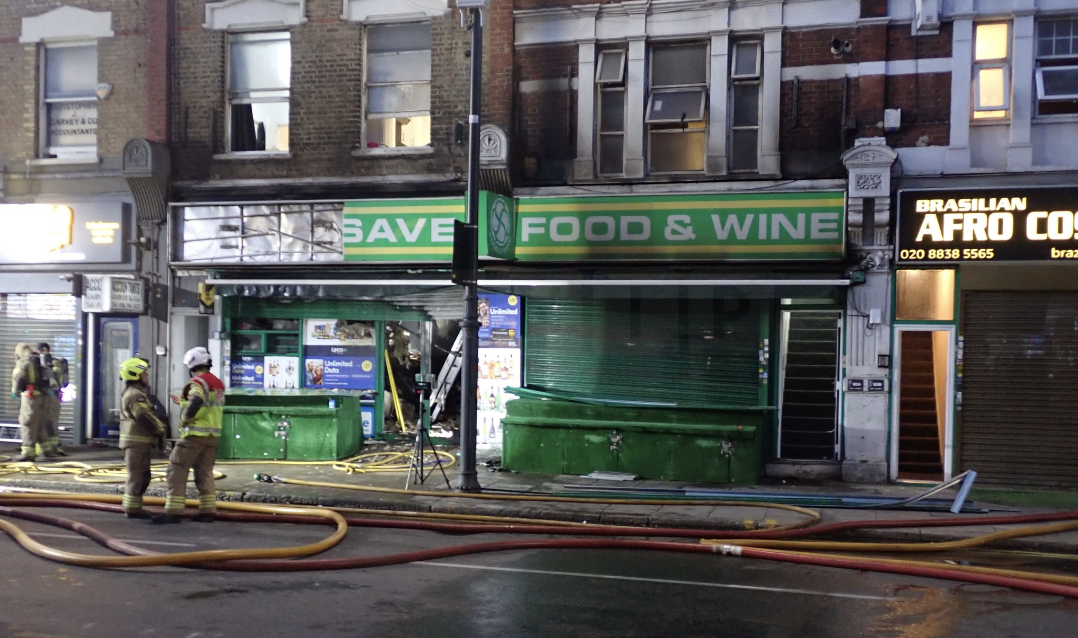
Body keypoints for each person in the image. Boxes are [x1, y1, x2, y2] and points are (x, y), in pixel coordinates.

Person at [151, 346, 224, 524]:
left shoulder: (198, 382)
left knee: (176, 468)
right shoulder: (216, 382)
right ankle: (208, 510)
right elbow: (207, 404)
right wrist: (183, 401)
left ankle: (173, 511)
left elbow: (197, 400)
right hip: (211, 436)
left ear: (192, 365)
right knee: (205, 472)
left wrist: (185, 416)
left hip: (194, 434)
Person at [118, 357, 167, 519]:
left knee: (143, 476)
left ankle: (134, 507)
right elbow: (143, 416)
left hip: (139, 443)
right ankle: (132, 510)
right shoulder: (135, 395)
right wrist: (160, 429)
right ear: (135, 375)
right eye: (144, 373)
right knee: (137, 477)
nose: (146, 376)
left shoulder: (135, 393)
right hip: (135, 443)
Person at [10, 343, 53, 462]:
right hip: (43, 396)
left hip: (30, 397)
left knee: (27, 423)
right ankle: (46, 451)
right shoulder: (39, 359)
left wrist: (15, 392)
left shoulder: (24, 361)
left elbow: (18, 377)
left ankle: (28, 453)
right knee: (39, 424)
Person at [36, 342, 67, 457]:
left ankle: (52, 448)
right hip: (44, 396)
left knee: (50, 422)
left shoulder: (54, 363)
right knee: (43, 422)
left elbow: (56, 379)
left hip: (52, 396)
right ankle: (45, 448)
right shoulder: (37, 362)